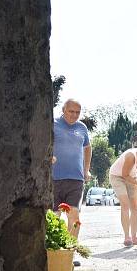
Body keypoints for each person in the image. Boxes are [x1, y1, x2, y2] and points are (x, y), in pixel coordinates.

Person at [52, 98, 91, 238]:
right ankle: (53, 254)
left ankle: (70, 253)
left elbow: (87, 148)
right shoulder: (52, 124)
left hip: (76, 178)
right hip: (54, 178)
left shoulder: (82, 127)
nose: (74, 115)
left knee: (74, 216)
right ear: (63, 110)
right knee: (54, 217)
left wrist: (86, 169)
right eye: (71, 111)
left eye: (77, 112)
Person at [109, 147, 137, 246]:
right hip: (117, 176)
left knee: (134, 207)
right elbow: (125, 175)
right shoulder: (131, 156)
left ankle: (134, 237)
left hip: (132, 177)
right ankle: (127, 237)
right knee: (125, 204)